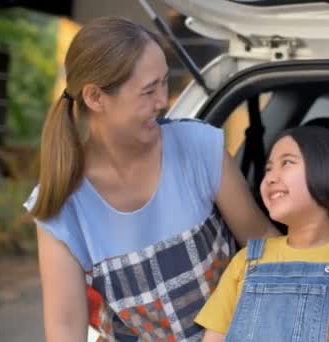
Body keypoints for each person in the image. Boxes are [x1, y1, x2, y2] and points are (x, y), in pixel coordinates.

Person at [24, 17, 277, 341]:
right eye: (148, 90)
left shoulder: (197, 147)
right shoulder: (61, 205)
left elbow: (265, 249)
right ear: (95, 97)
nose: (162, 101)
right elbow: (64, 329)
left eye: (163, 83)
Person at [196, 126, 329, 342]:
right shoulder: (247, 261)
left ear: (328, 171)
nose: (270, 178)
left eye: (287, 163)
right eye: (268, 169)